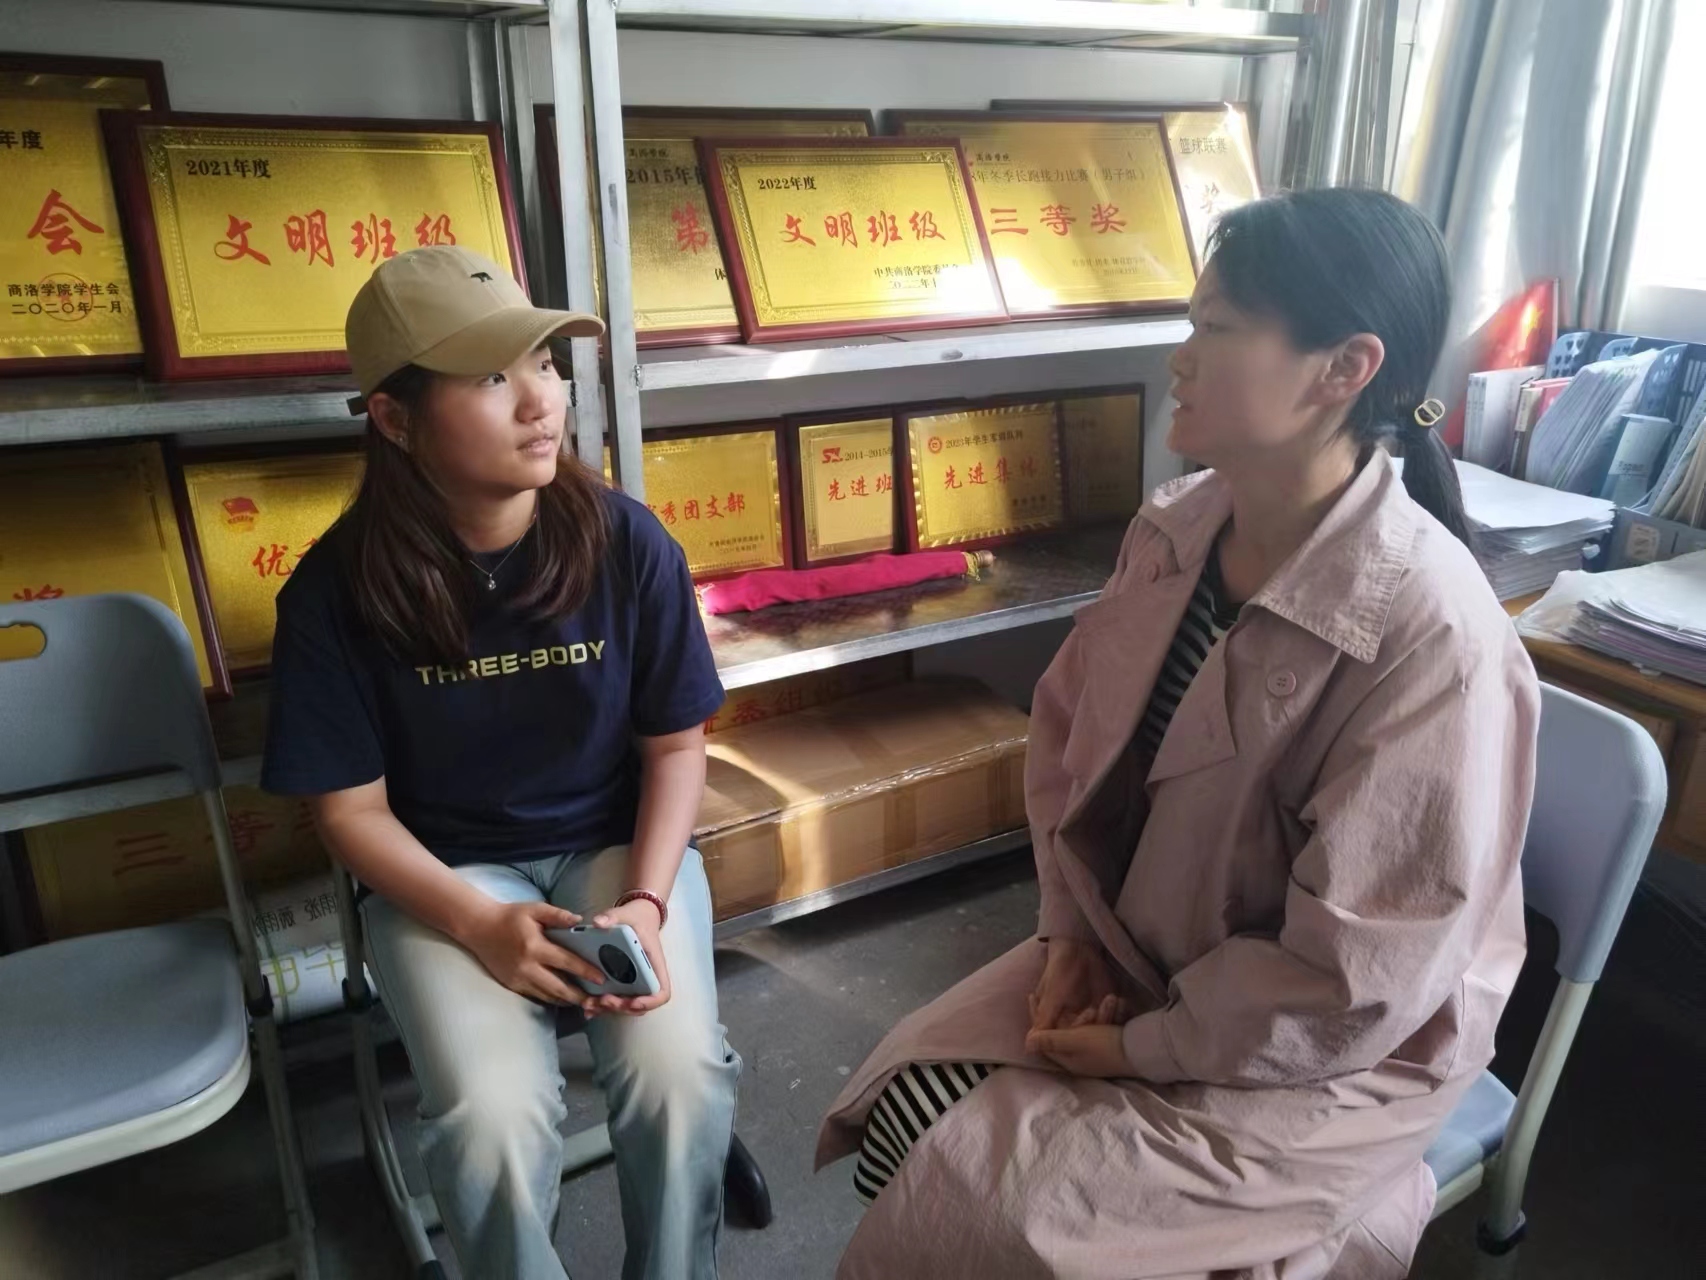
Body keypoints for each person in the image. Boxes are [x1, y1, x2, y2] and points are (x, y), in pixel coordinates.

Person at [817, 189, 1540, 1279]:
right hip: (1142, 943)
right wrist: (1069, 933)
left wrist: (1139, 1045)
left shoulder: (1434, 640)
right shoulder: (1176, 529)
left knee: (1001, 1222)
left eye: (1217, 328)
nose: (1179, 359)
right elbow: (1070, 752)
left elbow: (1352, 980)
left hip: (1329, 1044)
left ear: (1345, 367)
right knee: (903, 1111)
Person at [261, 246, 740, 1280]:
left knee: (679, 1075)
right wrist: (478, 921)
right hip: (447, 877)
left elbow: (674, 746)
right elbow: (349, 813)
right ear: (393, 419)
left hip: (616, 854)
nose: (541, 401)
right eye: (489, 376)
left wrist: (647, 901)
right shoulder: (334, 592)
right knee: (489, 1118)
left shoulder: (628, 542)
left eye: (545, 363)